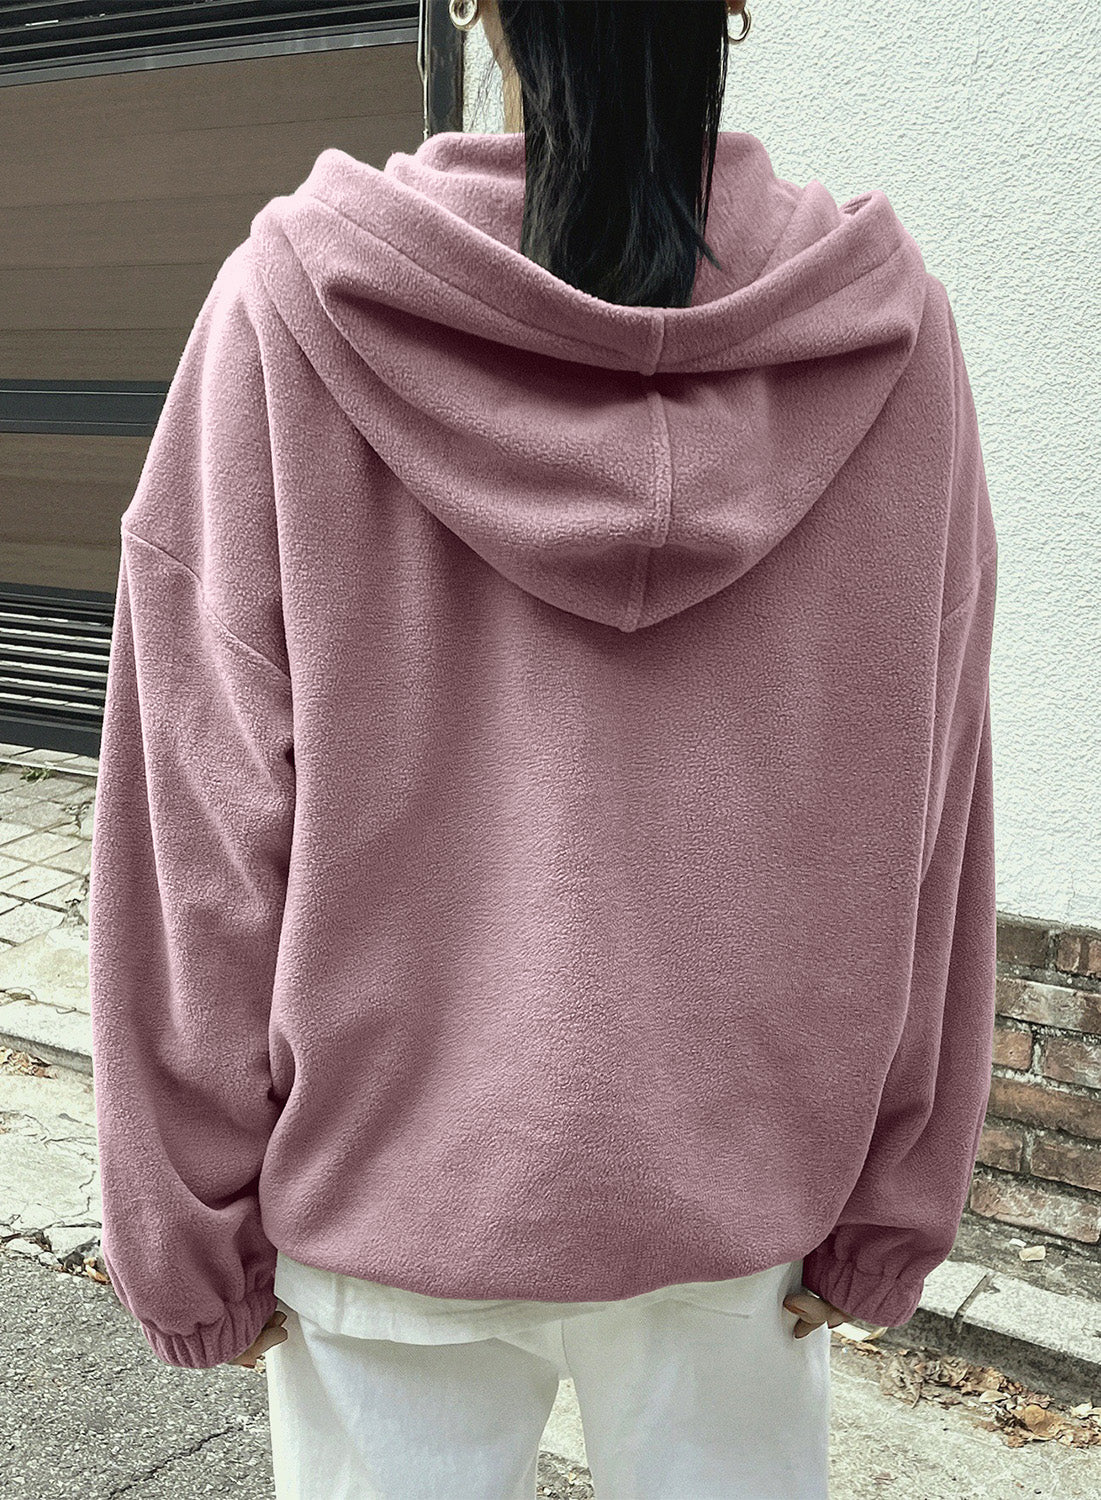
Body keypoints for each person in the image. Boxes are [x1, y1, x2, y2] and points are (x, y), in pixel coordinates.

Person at [87, 0, 998, 1496]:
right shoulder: (884, 335)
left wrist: (186, 1229)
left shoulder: (295, 309)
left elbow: (195, 823)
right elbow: (931, 797)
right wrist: (892, 1196)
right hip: (745, 1213)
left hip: (389, 1201)